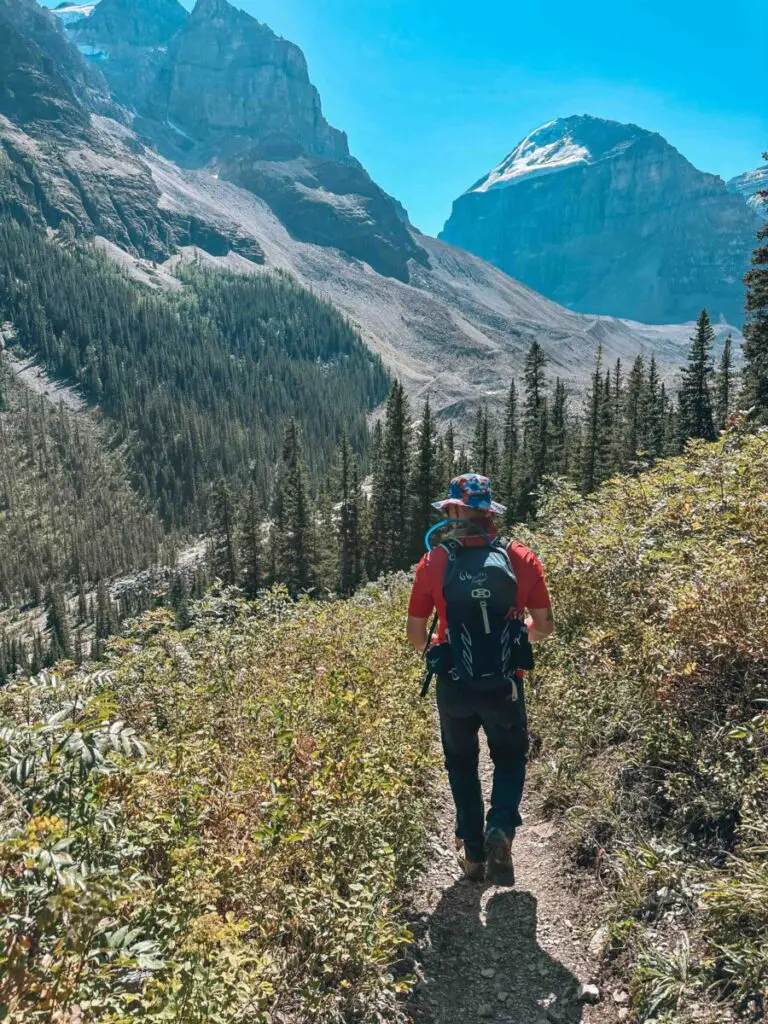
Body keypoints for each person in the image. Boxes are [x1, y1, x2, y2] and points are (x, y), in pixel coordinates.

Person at [406, 473, 554, 884]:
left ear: (453, 511)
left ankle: (473, 857)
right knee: (509, 757)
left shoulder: (435, 561)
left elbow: (415, 635)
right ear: (489, 513)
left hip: (454, 682)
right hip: (506, 682)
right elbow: (545, 625)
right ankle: (501, 828)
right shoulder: (521, 557)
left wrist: (443, 649)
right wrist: (517, 633)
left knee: (461, 764)